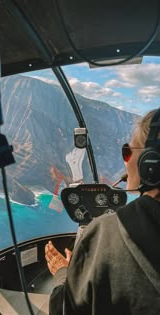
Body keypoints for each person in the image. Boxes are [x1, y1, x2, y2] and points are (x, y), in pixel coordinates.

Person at [45, 109, 160, 315]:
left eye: (127, 151)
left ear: (151, 163)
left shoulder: (107, 232)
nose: (125, 160)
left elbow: (65, 310)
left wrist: (64, 273)